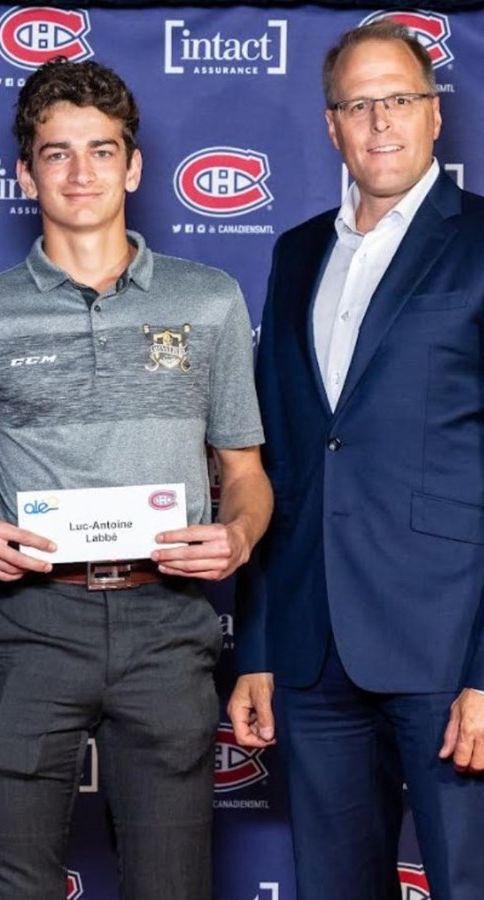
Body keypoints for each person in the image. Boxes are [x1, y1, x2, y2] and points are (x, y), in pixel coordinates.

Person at [0, 59, 272, 899]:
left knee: (172, 886)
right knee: (10, 885)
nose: (80, 172)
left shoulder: (211, 301)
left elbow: (247, 474)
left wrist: (238, 534)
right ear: (26, 174)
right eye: (56, 153)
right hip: (30, 622)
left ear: (134, 167)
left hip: (167, 622)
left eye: (101, 150)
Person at [229, 22, 484, 900]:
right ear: (331, 124)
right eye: (359, 104)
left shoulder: (480, 240)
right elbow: (274, 463)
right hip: (314, 649)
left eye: (400, 99)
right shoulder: (297, 252)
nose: (381, 122)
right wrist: (258, 647)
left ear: (435, 114)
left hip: (447, 647)